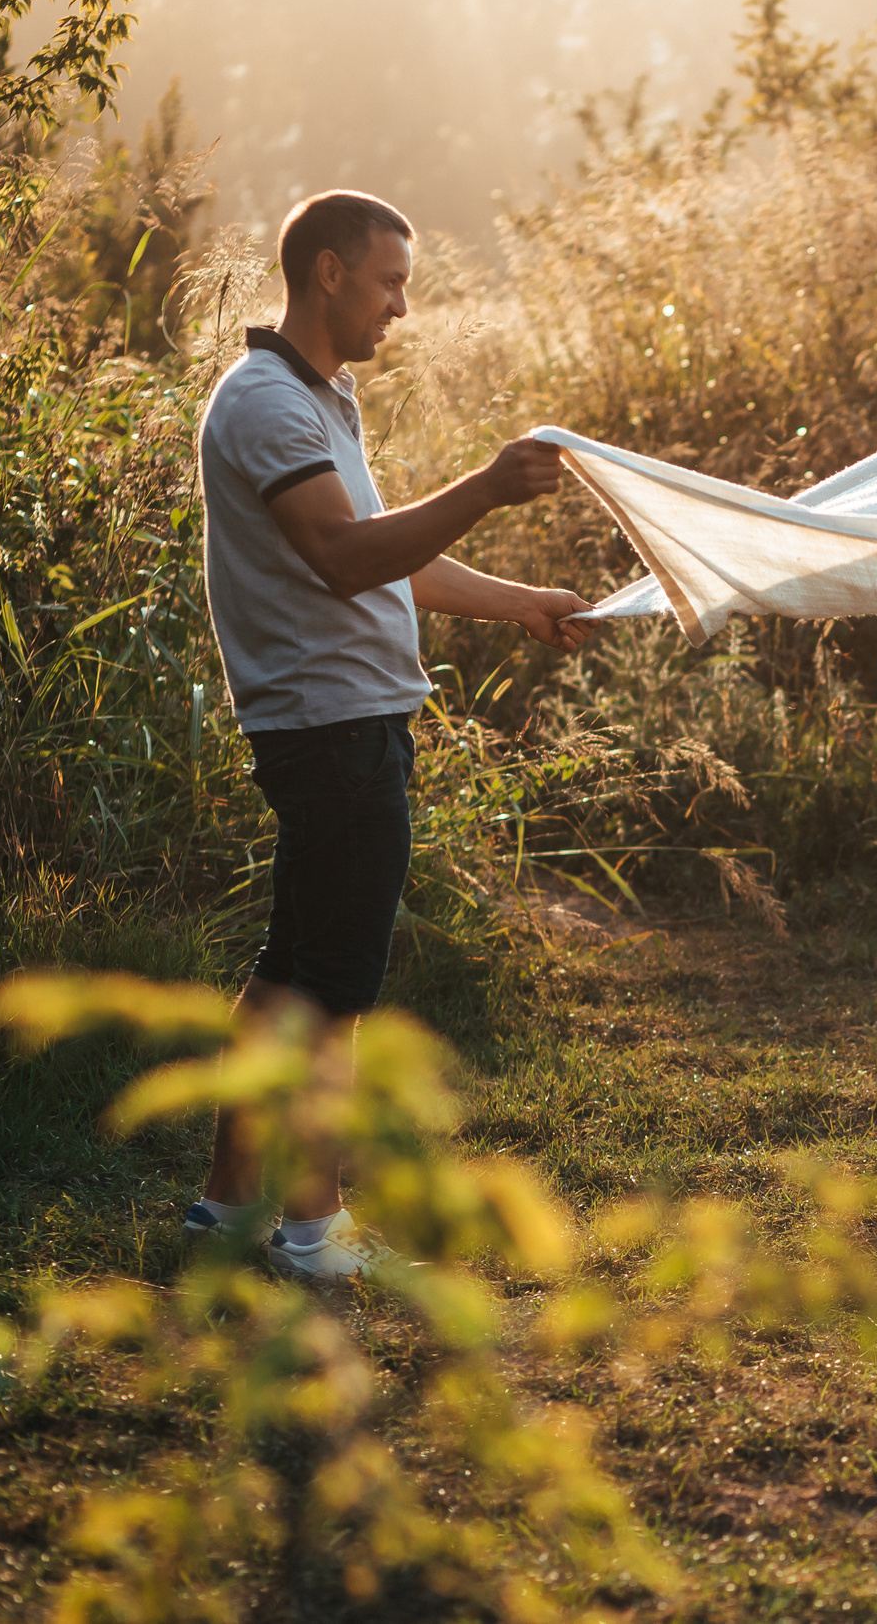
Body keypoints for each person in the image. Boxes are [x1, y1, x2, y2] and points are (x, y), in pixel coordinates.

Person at [183, 189, 599, 1282]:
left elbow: (391, 553)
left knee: (289, 978)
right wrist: (488, 487)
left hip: (341, 727)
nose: (401, 308)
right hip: (332, 731)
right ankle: (312, 1236)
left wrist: (520, 601)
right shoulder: (267, 404)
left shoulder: (319, 399)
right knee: (330, 999)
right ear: (328, 272)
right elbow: (342, 558)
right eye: (389, 281)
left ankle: (223, 1214)